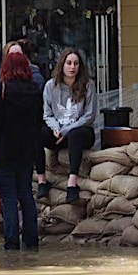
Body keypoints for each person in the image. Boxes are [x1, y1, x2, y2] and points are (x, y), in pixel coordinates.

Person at [0, 52, 43, 250]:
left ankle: (11, 243)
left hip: (4, 152)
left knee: (8, 197)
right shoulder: (34, 91)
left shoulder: (0, 91)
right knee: (26, 194)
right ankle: (31, 241)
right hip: (26, 151)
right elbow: (37, 121)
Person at [37, 48, 97, 204]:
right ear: (62, 65)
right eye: (69, 63)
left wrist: (67, 130)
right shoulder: (51, 86)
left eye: (76, 64)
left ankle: (72, 183)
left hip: (79, 131)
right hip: (58, 132)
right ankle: (42, 180)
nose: (72, 67)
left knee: (76, 134)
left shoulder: (88, 86)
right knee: (38, 133)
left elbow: (89, 116)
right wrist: (56, 128)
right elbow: (47, 114)